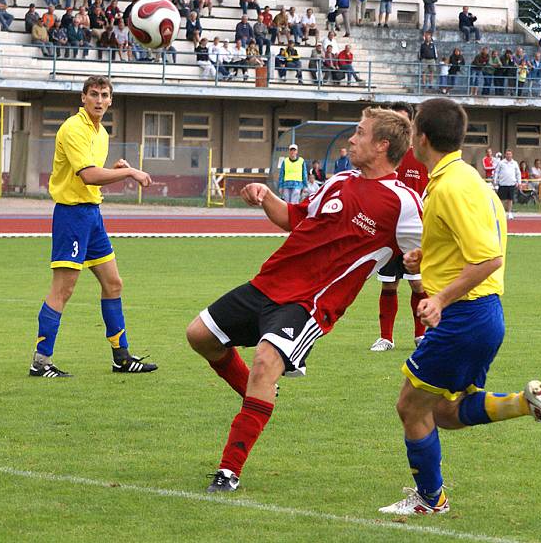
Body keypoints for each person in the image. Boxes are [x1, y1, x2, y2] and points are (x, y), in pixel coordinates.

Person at [186, 107, 423, 493]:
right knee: (199, 336)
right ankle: (261, 392)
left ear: (382, 145)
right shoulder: (339, 182)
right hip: (269, 282)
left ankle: (228, 471)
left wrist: (420, 262)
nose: (351, 139)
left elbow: (434, 246)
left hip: (312, 303)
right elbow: (293, 218)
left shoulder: (405, 203)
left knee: (265, 360)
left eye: (360, 134)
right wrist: (265, 196)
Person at [379, 97, 541, 516]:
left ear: (420, 137)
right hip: (483, 315)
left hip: (465, 314)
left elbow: (488, 258)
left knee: (411, 405)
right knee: (443, 411)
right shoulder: (464, 179)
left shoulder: (452, 187)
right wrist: (424, 259)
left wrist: (440, 298)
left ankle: (431, 500)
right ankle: (529, 402)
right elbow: (468, 244)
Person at [29, 77, 157, 378]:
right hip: (71, 216)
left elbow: (93, 173)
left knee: (113, 283)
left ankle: (121, 357)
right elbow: (87, 175)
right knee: (63, 289)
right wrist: (129, 172)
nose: (99, 100)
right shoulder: (74, 128)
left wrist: (114, 171)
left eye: (105, 95)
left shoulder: (100, 133)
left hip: (92, 215)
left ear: (110, 100)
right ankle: (41, 360)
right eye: (94, 95)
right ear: (83, 97)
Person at [370, 102, 429, 353]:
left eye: (403, 122)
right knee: (388, 284)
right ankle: (386, 338)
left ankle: (420, 336)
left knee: (418, 284)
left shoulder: (422, 157)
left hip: (414, 231)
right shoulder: (381, 156)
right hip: (387, 229)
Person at [492, 149, 521, 220]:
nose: (508, 155)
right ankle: (501, 213)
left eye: (510, 154)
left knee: (510, 199)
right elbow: (496, 172)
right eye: (507, 154)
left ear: (512, 155)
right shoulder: (501, 163)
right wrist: (495, 181)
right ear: (505, 155)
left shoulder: (515, 163)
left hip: (511, 184)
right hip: (502, 184)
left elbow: (518, 173)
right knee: (501, 200)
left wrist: (519, 182)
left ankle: (510, 213)